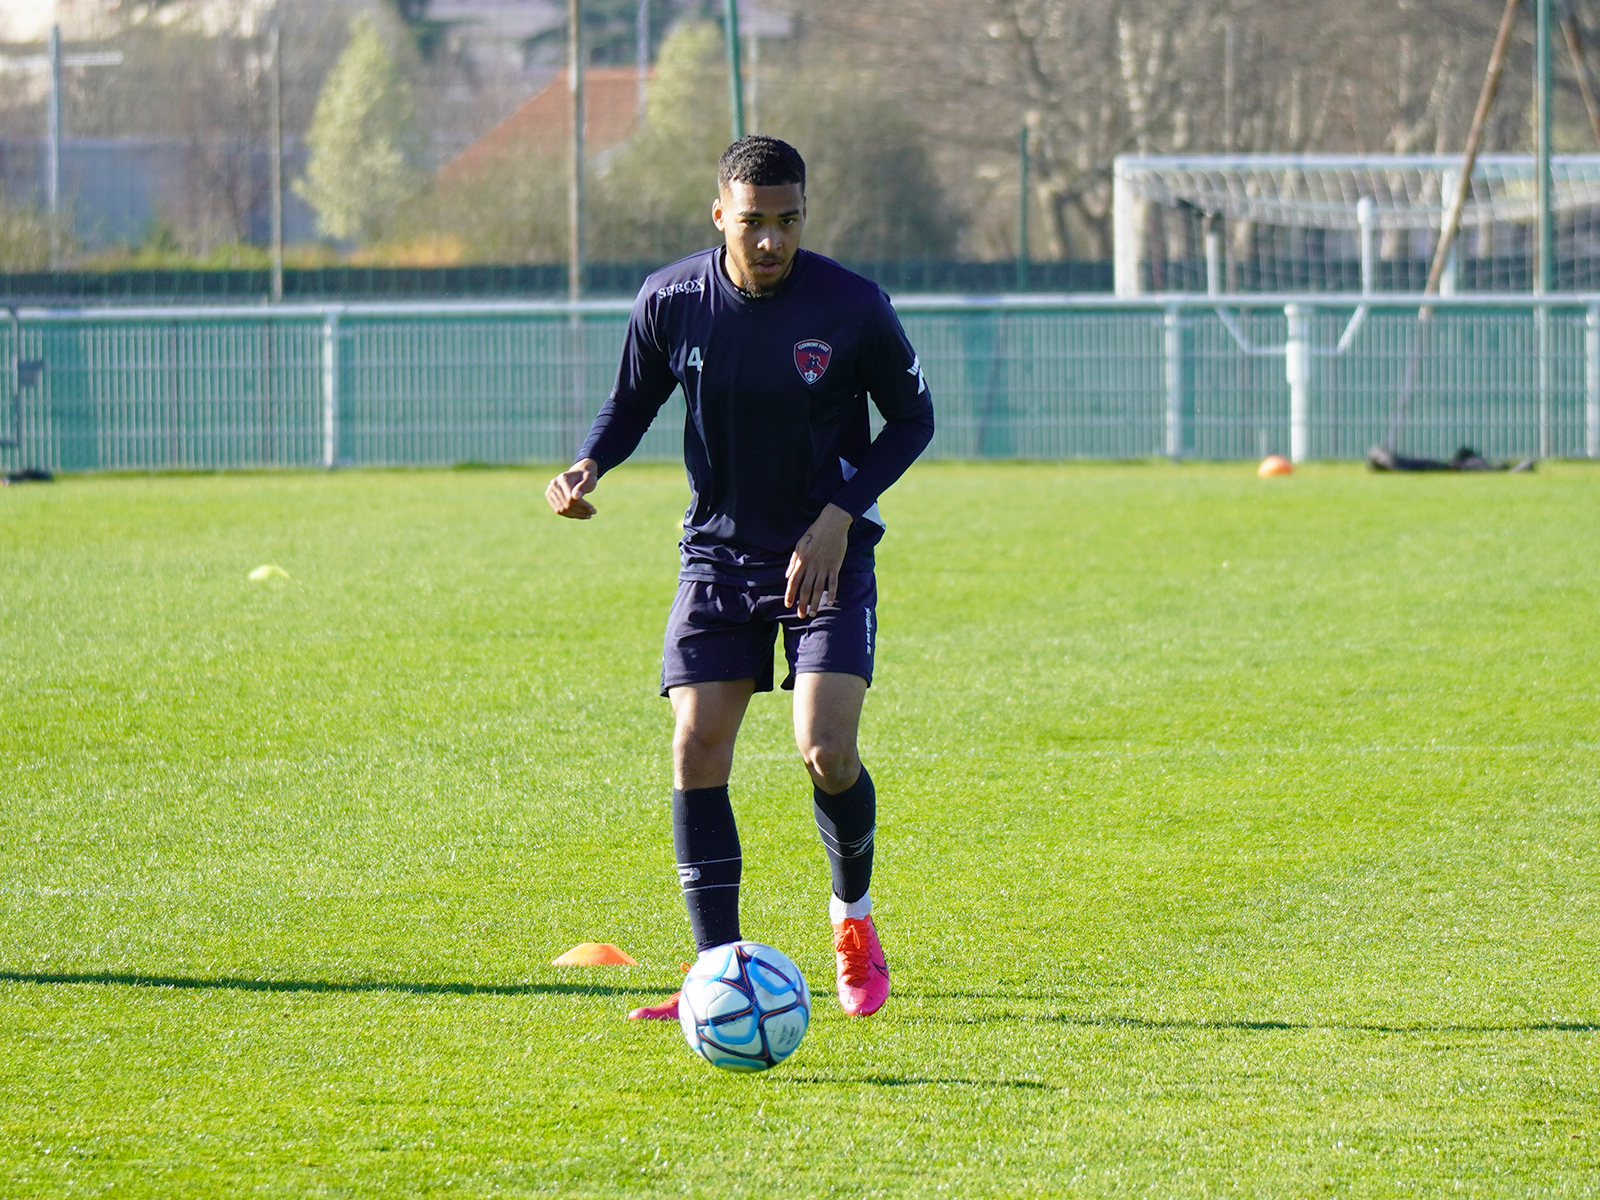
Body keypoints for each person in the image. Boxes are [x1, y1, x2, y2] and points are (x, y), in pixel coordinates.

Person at [545, 135, 935, 1021]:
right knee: (694, 749)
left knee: (827, 751)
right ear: (719, 213)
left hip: (825, 550)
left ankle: (854, 922)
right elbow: (632, 401)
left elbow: (912, 418)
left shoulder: (851, 306)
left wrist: (839, 516)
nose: (770, 242)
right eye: (753, 222)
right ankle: (714, 975)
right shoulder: (671, 299)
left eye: (787, 222)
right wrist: (588, 468)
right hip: (719, 552)